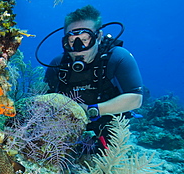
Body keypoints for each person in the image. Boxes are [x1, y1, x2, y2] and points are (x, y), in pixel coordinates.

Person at [44, 5, 143, 150]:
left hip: (109, 126)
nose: (78, 48)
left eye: (85, 39)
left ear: (98, 37)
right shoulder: (58, 64)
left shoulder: (118, 57)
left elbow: (135, 99)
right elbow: (45, 100)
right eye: (72, 41)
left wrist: (92, 110)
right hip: (67, 130)